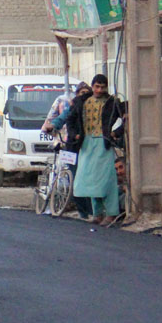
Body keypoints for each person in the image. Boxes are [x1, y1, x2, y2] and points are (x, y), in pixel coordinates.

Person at [68, 74, 123, 224]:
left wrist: (115, 133)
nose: (99, 90)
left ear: (106, 87)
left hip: (103, 143)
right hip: (86, 143)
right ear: (92, 87)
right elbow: (70, 120)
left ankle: (111, 213)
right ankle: (97, 213)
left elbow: (127, 119)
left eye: (102, 87)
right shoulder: (81, 102)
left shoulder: (113, 102)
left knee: (108, 179)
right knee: (91, 179)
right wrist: (75, 135)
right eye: (97, 87)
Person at [43, 81, 94, 219]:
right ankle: (83, 211)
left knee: (90, 179)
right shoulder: (71, 106)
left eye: (87, 93)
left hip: (89, 146)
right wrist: (51, 126)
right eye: (82, 93)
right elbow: (61, 119)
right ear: (76, 95)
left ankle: (93, 210)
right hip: (71, 145)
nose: (85, 96)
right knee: (74, 179)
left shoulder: (93, 106)